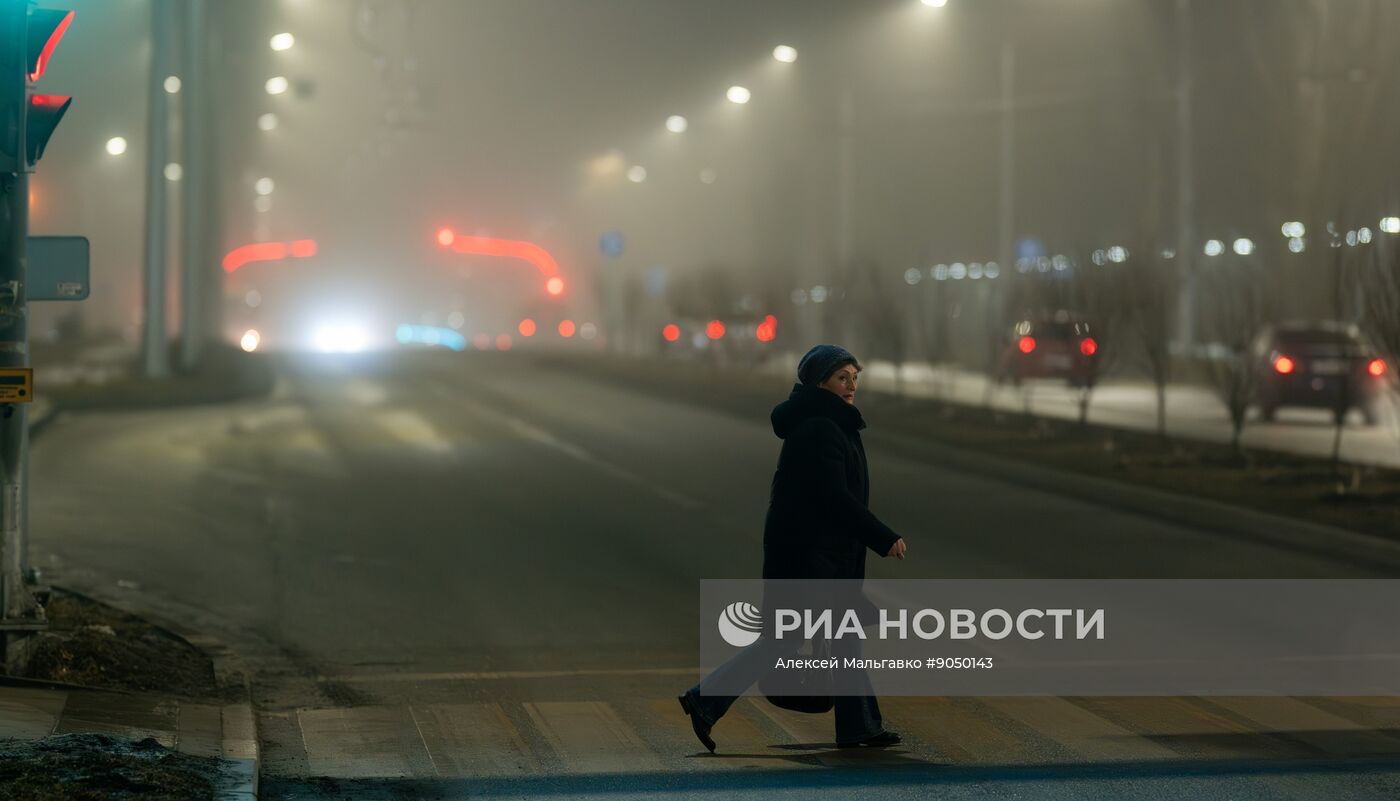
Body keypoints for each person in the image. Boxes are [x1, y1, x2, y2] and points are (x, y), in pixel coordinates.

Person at [678, 344, 908, 752]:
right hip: (808, 559)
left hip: (823, 556)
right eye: (842, 377)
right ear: (820, 382)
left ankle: (860, 725)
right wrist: (882, 536)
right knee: (786, 640)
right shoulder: (821, 428)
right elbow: (835, 499)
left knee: (841, 636)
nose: (852, 385)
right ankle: (704, 700)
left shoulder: (832, 423)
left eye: (855, 376)